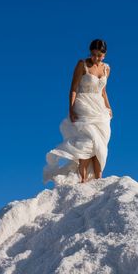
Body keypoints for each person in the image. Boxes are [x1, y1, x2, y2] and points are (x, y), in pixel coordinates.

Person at [43, 39, 113, 185]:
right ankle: (82, 178)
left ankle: (98, 178)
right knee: (88, 140)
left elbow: (103, 91)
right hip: (83, 104)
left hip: (99, 108)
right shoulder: (82, 64)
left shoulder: (107, 69)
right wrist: (71, 109)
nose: (96, 58)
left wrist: (109, 107)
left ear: (104, 55)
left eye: (99, 55)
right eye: (93, 54)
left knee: (100, 142)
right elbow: (73, 88)